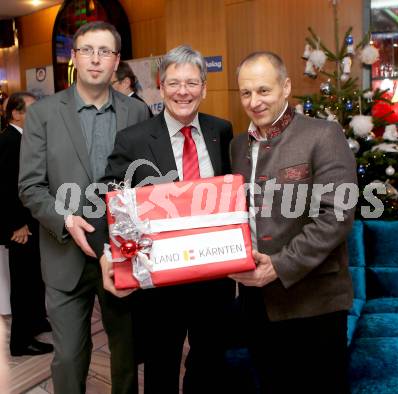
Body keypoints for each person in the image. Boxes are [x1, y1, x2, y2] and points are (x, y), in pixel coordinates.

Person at [87, 45, 235, 394]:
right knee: (160, 368)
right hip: (159, 282)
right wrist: (111, 254)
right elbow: (107, 199)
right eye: (174, 83)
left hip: (213, 280)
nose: (183, 91)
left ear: (204, 87)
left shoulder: (222, 131)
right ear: (160, 85)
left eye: (191, 83)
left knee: (210, 363)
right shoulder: (134, 140)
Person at [18, 21, 151, 394]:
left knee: (126, 354)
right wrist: (65, 220)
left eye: (104, 51)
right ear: (74, 57)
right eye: (87, 50)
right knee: (69, 357)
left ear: (117, 61)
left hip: (122, 252)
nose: (96, 59)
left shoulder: (136, 113)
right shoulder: (43, 114)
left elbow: (144, 185)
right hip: (64, 255)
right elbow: (30, 186)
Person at [229, 51, 357, 394]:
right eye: (246, 93)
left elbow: (337, 215)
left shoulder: (323, 135)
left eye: (263, 90)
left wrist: (280, 265)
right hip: (257, 302)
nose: (254, 102)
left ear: (285, 87)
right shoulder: (238, 146)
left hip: (314, 303)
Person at [0, 92, 53, 357]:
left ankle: (36, 322)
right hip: (20, 227)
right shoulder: (9, 141)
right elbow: (5, 189)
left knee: (34, 278)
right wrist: (15, 225)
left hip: (32, 222)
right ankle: (20, 342)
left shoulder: (24, 139)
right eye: (32, 109)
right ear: (17, 114)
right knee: (23, 284)